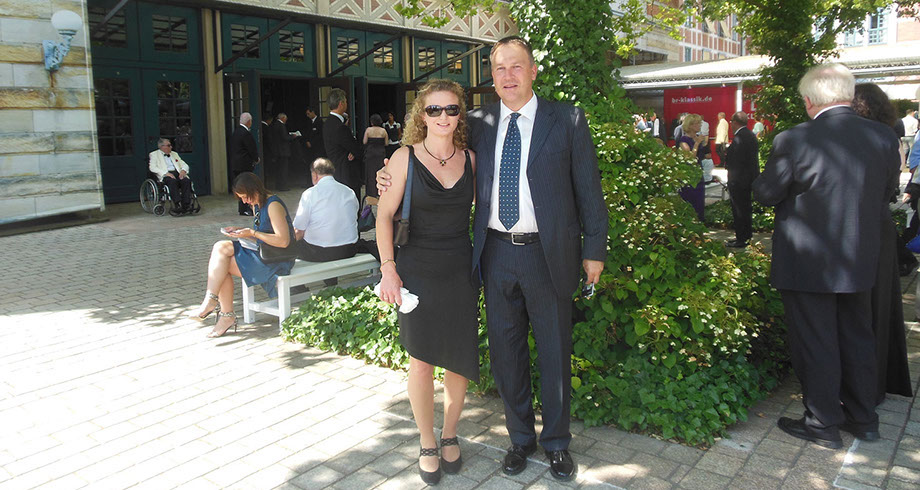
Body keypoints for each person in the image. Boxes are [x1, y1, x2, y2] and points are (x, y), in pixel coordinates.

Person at [378, 36, 607, 482]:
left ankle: (556, 443)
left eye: (516, 66)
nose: (508, 75)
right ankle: (520, 439)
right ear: (492, 76)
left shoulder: (567, 119)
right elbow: (429, 154)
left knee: (555, 350)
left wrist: (594, 249)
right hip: (495, 253)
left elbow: (588, 189)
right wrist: (387, 174)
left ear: (533, 71)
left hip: (549, 253)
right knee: (506, 352)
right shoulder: (479, 123)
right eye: (500, 68)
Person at [753, 64, 900, 449]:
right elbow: (887, 193)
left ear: (808, 100)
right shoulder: (883, 137)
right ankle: (864, 418)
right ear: (849, 95)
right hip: (859, 257)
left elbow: (766, 193)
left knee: (815, 340)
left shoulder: (794, 139)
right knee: (858, 335)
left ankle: (822, 422)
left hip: (808, 261)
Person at [375, 79, 480, 486]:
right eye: (434, 109)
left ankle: (450, 432)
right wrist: (388, 268)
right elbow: (384, 217)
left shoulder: (471, 159)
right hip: (416, 268)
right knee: (420, 360)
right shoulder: (404, 158)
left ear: (460, 115)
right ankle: (426, 440)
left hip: (460, 269)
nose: (443, 116)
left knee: (458, 358)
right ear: (422, 115)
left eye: (451, 109)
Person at [852, 84, 914, 405]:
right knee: (880, 305)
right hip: (880, 226)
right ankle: (876, 382)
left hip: (860, 227)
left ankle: (861, 386)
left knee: (860, 307)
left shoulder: (857, 136)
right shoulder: (888, 136)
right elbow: (892, 186)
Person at [189, 172, 296, 338]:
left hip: (278, 260)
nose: (245, 202)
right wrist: (241, 231)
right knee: (220, 249)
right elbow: (263, 234)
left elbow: (283, 241)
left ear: (255, 189)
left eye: (246, 197)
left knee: (222, 264)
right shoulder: (257, 204)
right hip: (265, 254)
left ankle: (222, 311)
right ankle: (215, 304)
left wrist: (252, 232)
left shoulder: (273, 205)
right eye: (241, 198)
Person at [292, 158, 360, 262]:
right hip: (349, 249)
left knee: (293, 245)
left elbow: (299, 230)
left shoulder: (309, 194)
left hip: (319, 252)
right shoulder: (349, 191)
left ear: (314, 175)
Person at [724, 111, 759, 248]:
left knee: (739, 210)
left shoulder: (740, 137)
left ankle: (741, 238)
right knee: (745, 209)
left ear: (734, 122)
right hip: (748, 179)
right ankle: (746, 236)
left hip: (739, 181)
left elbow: (736, 161)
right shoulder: (750, 135)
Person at [324, 88, 362, 201]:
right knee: (351, 205)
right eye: (345, 101)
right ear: (341, 104)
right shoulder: (340, 127)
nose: (346, 104)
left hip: (334, 169)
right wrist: (354, 151)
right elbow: (357, 149)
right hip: (346, 173)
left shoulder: (327, 123)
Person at [148, 138, 193, 216]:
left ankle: (186, 204)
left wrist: (183, 170)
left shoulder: (174, 154)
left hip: (177, 173)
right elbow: (152, 167)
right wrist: (165, 173)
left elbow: (184, 164)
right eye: (169, 145)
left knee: (186, 181)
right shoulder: (154, 154)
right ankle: (177, 203)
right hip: (165, 175)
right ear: (162, 147)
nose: (171, 147)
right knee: (172, 182)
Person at [677, 114, 710, 220]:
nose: (700, 125)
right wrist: (697, 143)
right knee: (690, 200)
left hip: (698, 173)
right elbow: (690, 158)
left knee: (699, 200)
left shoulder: (698, 137)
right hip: (689, 174)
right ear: (690, 125)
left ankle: (700, 221)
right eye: (697, 123)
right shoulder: (684, 140)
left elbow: (706, 155)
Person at [230, 112, 259, 216]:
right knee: (246, 186)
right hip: (244, 164)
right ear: (249, 122)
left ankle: (242, 208)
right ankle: (245, 208)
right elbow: (251, 148)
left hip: (236, 164)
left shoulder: (236, 132)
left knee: (239, 185)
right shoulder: (246, 133)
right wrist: (256, 158)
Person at [363, 114, 388, 200]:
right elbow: (386, 143)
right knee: (380, 171)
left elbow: (364, 141)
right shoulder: (383, 131)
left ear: (372, 122)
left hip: (370, 153)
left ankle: (371, 192)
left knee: (370, 173)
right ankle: (379, 191)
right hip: (380, 153)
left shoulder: (368, 130)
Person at [270, 113, 298, 191]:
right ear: (282, 118)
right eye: (286, 118)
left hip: (277, 151)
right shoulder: (281, 125)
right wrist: (292, 136)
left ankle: (278, 185)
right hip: (283, 151)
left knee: (279, 169)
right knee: (283, 169)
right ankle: (283, 186)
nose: (286, 120)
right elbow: (284, 137)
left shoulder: (275, 125)